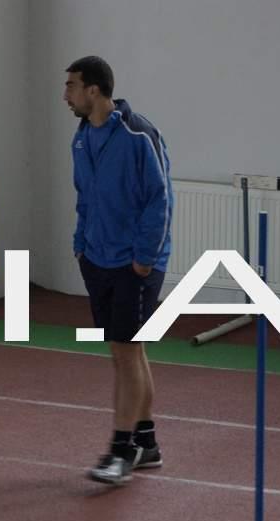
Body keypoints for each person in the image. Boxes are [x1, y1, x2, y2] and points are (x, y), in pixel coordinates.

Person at [63, 56, 173, 485]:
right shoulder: (81, 137)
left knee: (126, 353)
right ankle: (147, 442)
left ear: (94, 90)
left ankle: (121, 450)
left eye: (72, 86)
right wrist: (80, 244)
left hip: (135, 263)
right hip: (98, 259)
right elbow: (84, 197)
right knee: (126, 352)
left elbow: (160, 199)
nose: (66, 95)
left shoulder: (138, 134)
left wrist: (144, 257)